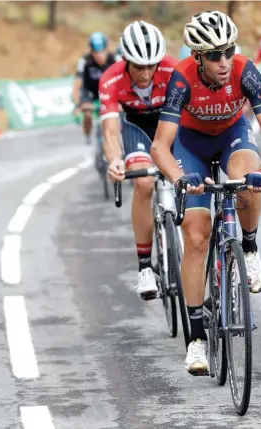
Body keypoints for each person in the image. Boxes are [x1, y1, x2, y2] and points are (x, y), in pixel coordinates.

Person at [150, 11, 261, 374]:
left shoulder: (245, 71)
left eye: (228, 51)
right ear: (198, 57)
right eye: (214, 55)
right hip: (190, 147)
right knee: (195, 235)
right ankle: (196, 339)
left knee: (247, 179)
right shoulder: (181, 80)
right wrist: (179, 178)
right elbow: (160, 147)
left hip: (232, 136)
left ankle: (251, 248)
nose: (224, 61)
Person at [99, 21, 178, 299]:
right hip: (136, 128)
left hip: (169, 126)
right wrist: (114, 160)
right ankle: (145, 266)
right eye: (138, 66)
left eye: (151, 66)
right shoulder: (110, 78)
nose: (146, 73)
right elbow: (110, 131)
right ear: (125, 61)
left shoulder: (172, 69)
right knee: (144, 183)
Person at [72, 32, 117, 160]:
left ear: (107, 49)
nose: (100, 56)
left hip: (109, 90)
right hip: (90, 91)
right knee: (87, 113)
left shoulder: (115, 59)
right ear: (91, 51)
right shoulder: (84, 61)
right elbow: (77, 84)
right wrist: (77, 104)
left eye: (103, 51)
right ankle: (87, 137)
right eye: (96, 53)